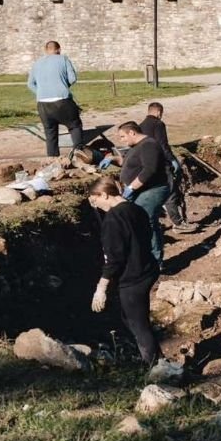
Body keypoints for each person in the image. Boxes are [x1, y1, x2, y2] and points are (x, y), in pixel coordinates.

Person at [88, 176, 160, 366]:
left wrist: (101, 288)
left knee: (138, 324)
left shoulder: (113, 220)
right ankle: (156, 358)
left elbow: (114, 258)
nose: (96, 206)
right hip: (147, 268)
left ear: (104, 194)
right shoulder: (136, 209)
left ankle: (155, 366)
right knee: (132, 317)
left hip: (132, 277)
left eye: (96, 201)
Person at [114, 121, 171, 271]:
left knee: (147, 221)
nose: (121, 140)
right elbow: (128, 163)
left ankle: (155, 262)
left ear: (132, 133)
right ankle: (144, 258)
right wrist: (111, 159)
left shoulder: (149, 145)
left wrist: (131, 187)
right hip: (141, 191)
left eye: (122, 136)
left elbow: (149, 170)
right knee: (141, 222)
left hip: (153, 190)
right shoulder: (137, 146)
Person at [140, 102, 194, 232]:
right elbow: (163, 145)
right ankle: (178, 223)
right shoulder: (158, 124)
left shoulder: (140, 126)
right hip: (161, 164)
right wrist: (172, 160)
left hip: (147, 165)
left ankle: (152, 223)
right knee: (170, 193)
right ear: (159, 112)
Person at [27, 40, 84, 158]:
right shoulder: (63, 59)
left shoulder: (37, 63)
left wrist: (41, 92)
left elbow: (30, 84)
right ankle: (79, 151)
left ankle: (53, 160)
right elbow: (72, 79)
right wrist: (63, 86)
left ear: (46, 50)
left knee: (50, 133)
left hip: (43, 103)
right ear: (59, 49)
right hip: (62, 100)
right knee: (74, 125)